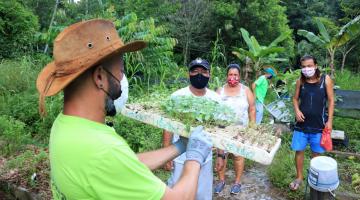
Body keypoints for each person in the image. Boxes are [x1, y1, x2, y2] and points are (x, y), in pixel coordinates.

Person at [36, 19, 213, 200]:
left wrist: (179, 147)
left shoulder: (64, 125)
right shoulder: (103, 149)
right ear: (99, 77)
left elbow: (125, 166)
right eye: (121, 70)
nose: (122, 78)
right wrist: (195, 158)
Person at [163, 58, 220, 200]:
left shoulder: (215, 98)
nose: (199, 74)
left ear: (209, 75)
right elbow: (167, 126)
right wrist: (166, 155)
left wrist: (221, 154)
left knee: (203, 194)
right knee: (178, 193)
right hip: (180, 156)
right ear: (189, 74)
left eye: (203, 71)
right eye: (195, 71)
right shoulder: (177, 96)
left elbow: (220, 130)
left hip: (205, 157)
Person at [289, 55, 334, 190]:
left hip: (319, 125)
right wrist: (296, 110)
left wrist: (330, 121)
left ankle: (314, 177)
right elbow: (295, 99)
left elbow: (331, 100)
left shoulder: (325, 80)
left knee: (316, 153)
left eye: (309, 66)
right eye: (303, 67)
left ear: (315, 66)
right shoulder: (300, 82)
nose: (306, 69)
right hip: (301, 125)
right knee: (299, 151)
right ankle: (299, 177)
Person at [213, 63, 256, 195]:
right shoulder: (220, 91)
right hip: (223, 129)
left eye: (235, 75)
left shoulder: (246, 90)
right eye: (230, 75)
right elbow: (213, 109)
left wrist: (252, 127)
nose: (233, 77)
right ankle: (221, 181)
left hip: (240, 130)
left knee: (238, 156)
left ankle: (237, 182)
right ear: (226, 76)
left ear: (240, 76)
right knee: (222, 155)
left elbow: (252, 108)